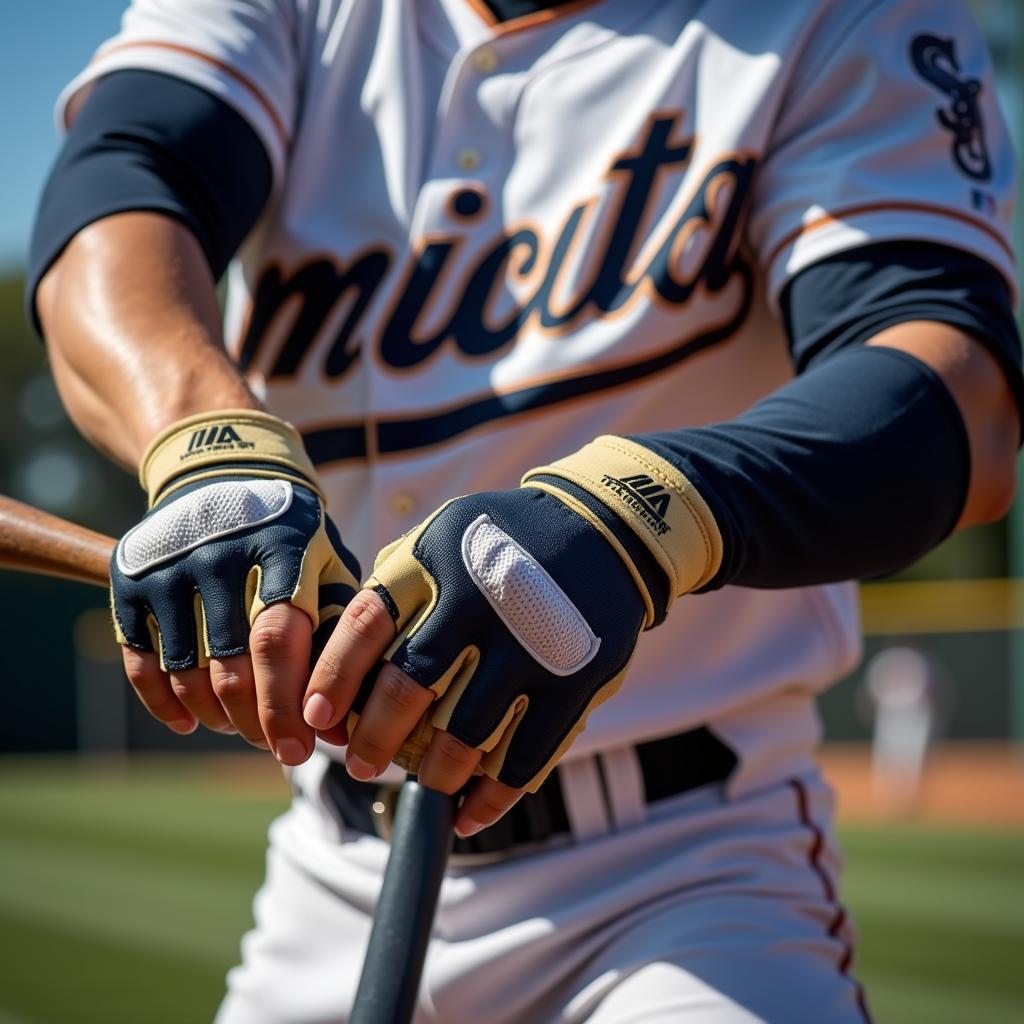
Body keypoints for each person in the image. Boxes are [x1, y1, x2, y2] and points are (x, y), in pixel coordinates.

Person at [28, 1, 1022, 1020]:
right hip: (333, 867)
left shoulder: (834, 14)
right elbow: (124, 179)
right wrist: (204, 435)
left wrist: (646, 511)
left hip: (681, 877)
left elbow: (956, 396)